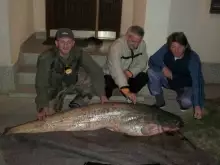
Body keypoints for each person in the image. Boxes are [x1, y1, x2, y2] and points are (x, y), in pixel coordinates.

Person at [35, 28, 108, 120]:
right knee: (49, 118)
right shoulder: (46, 58)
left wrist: (102, 95)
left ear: (73, 43)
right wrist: (43, 106)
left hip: (71, 82)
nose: (66, 45)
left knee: (91, 80)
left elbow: (96, 71)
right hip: (53, 89)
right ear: (56, 43)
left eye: (69, 42)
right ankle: (54, 104)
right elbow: (41, 83)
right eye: (62, 42)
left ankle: (78, 103)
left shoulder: (79, 53)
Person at [147, 32, 204, 119]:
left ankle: (181, 100)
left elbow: (197, 82)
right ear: (169, 46)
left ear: (185, 46)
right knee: (151, 72)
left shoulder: (193, 58)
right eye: (173, 47)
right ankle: (160, 101)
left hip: (186, 86)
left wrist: (197, 105)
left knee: (187, 102)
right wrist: (163, 68)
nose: (176, 50)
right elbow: (152, 60)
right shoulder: (166, 49)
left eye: (180, 47)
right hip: (169, 81)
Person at [103, 26, 149, 103]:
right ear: (127, 37)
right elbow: (116, 71)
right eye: (133, 41)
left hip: (129, 74)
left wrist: (130, 72)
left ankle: (128, 94)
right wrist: (125, 89)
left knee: (144, 77)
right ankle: (123, 91)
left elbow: (143, 62)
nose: (136, 45)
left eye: (139, 41)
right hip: (112, 75)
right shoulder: (116, 47)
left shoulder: (142, 44)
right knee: (106, 84)